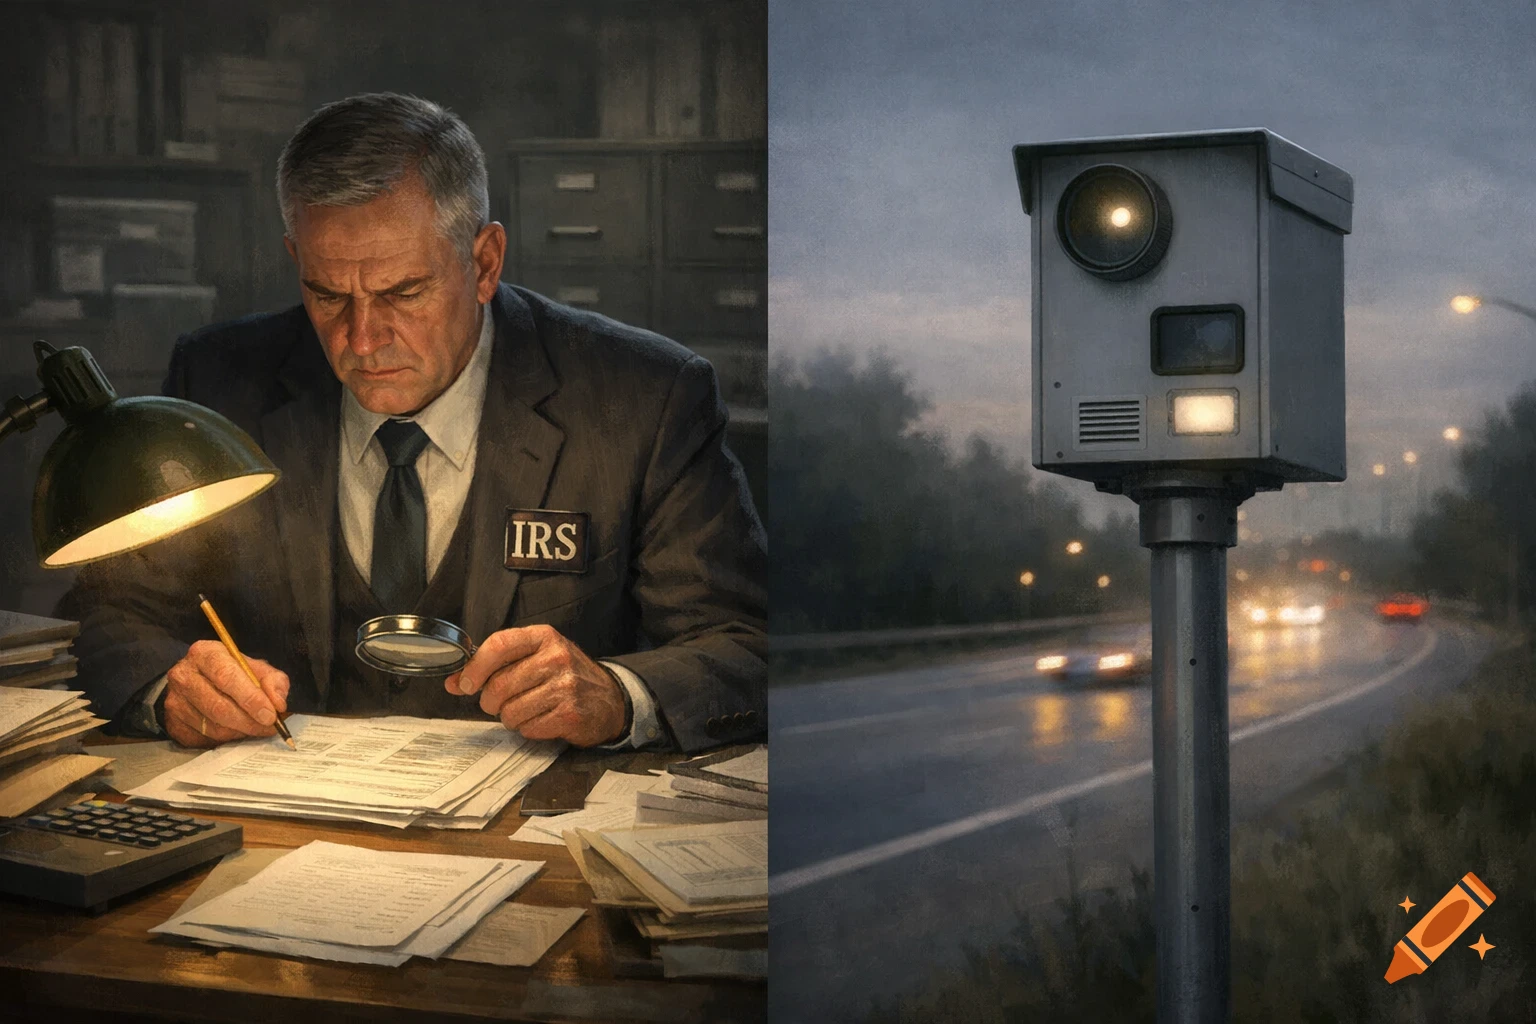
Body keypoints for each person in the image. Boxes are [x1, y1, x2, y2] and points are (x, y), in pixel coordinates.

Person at [58, 93, 766, 754]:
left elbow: (743, 645)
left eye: (404, 292)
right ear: (294, 259)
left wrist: (616, 696)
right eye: (328, 295)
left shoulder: (644, 397)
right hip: (287, 824)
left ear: (484, 263)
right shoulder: (219, 381)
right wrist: (169, 688)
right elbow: (109, 615)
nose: (362, 340)